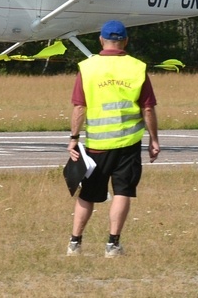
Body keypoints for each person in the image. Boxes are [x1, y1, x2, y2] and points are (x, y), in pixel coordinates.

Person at [66, 20, 159, 258]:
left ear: (101, 40)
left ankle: (74, 244)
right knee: (122, 191)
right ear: (125, 41)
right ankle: (112, 245)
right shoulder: (137, 67)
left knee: (87, 194)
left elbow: (79, 107)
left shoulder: (87, 67)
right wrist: (154, 139)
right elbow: (148, 108)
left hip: (97, 145)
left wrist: (74, 138)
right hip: (128, 144)